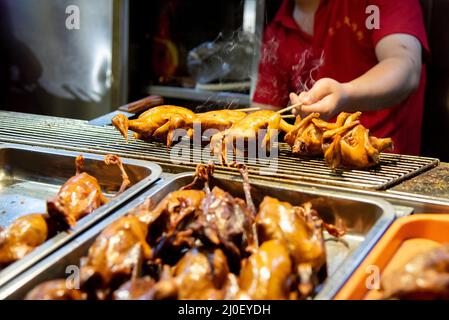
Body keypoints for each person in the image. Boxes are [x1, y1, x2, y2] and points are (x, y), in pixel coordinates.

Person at [252, 0, 429, 155]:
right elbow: (262, 117)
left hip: (384, 166)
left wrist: (344, 94)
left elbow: (405, 65)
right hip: (314, 170)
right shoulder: (278, 29)